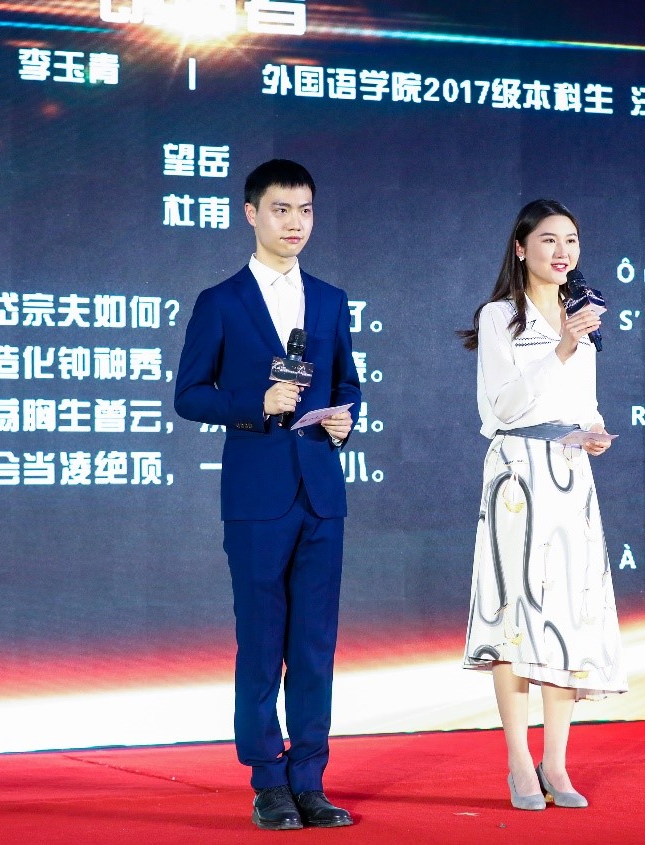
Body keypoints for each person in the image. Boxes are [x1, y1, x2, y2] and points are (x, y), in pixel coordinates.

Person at [174, 159, 361, 831]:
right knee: (260, 644)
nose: (295, 222)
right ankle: (268, 781)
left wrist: (344, 419)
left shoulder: (330, 299)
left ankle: (310, 779)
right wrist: (256, 403)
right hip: (256, 497)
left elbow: (348, 383)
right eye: (281, 209)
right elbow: (189, 395)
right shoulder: (221, 301)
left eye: (305, 210)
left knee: (314, 644)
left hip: (321, 494)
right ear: (251, 213)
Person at [459, 199, 627, 811]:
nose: (563, 252)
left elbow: (584, 400)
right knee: (515, 615)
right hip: (518, 476)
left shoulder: (582, 318)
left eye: (572, 241)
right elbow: (502, 407)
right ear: (521, 247)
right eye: (550, 239)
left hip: (570, 473)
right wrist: (558, 347)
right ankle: (517, 762)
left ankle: (555, 761)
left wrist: (594, 430)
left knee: (567, 616)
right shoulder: (500, 316)